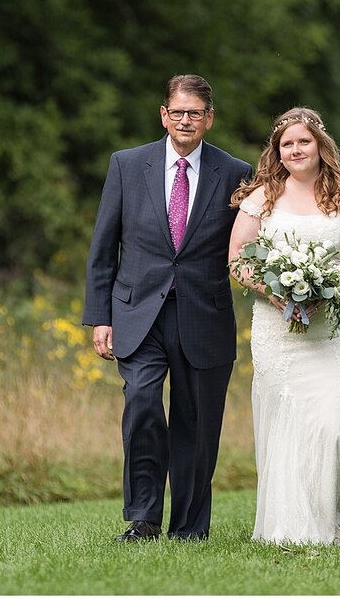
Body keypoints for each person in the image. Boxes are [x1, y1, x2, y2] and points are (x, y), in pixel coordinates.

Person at [228, 107, 340, 547]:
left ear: (319, 145)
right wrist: (276, 293)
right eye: (287, 144)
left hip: (339, 324)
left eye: (303, 142)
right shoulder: (263, 197)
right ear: (277, 151)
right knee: (292, 421)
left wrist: (330, 287)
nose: (296, 150)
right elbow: (237, 257)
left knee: (337, 422)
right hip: (280, 327)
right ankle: (308, 525)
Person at [83, 74, 253, 542]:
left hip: (205, 314)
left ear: (209, 119)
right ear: (163, 115)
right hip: (138, 314)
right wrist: (100, 316)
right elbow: (104, 247)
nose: (185, 120)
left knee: (197, 424)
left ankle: (190, 526)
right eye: (177, 111)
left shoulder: (236, 172)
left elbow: (257, 241)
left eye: (194, 113)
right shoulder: (127, 164)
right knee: (141, 404)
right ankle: (143, 519)